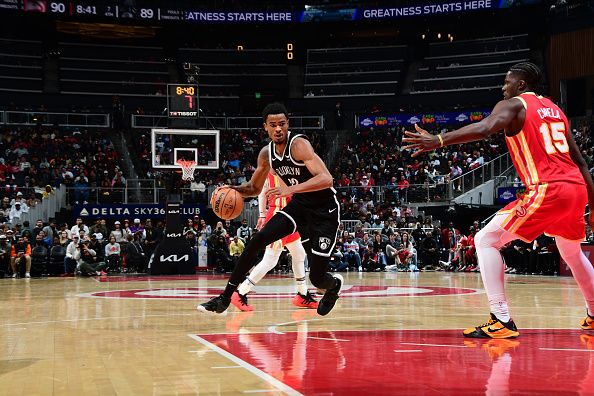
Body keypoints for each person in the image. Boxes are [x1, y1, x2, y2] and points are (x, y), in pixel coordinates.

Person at [402, 62, 594, 338]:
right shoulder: (557, 111)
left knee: (485, 240)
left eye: (507, 81)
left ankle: (501, 319)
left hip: (548, 187)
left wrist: (440, 140)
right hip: (576, 189)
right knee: (572, 253)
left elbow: (486, 128)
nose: (502, 87)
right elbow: (582, 163)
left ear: (521, 85)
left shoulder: (515, 105)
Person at [198, 102, 342, 315]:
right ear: (265, 126)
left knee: (318, 278)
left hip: (324, 212)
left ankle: (334, 287)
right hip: (300, 207)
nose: (278, 129)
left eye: (282, 124)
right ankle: (224, 298)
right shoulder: (267, 154)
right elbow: (254, 188)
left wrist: (291, 189)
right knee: (258, 239)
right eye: (273, 125)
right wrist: (233, 189)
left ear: (287, 124)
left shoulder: (299, 145)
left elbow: (326, 178)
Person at [230, 172, 319, 312]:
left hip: (290, 216)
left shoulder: (273, 168)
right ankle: (240, 292)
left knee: (299, 254)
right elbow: (263, 191)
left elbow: (262, 191)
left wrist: (262, 214)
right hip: (280, 216)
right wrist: (263, 214)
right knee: (270, 260)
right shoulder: (278, 168)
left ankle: (302, 294)